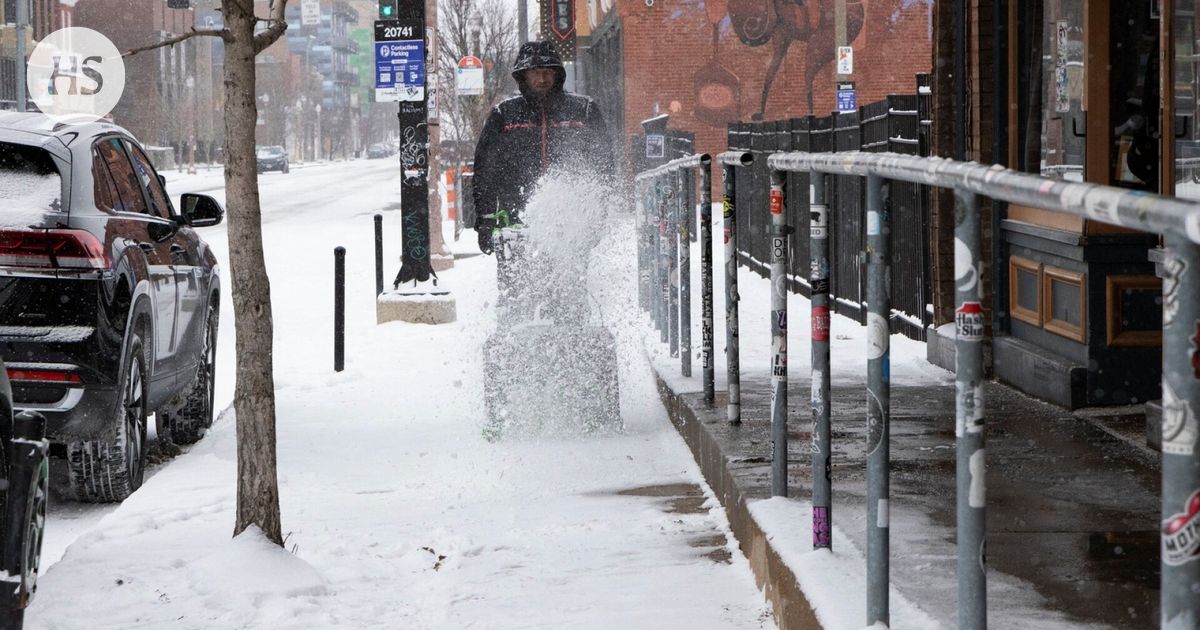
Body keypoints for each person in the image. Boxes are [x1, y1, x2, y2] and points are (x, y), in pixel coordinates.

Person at [471, 41, 615, 256]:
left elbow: (603, 164)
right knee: (517, 288)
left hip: (569, 229)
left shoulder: (583, 111)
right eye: (535, 72)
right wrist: (485, 218)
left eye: (547, 72)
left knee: (569, 287)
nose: (541, 79)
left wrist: (597, 214)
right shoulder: (504, 114)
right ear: (523, 75)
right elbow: (486, 171)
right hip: (515, 224)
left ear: (558, 74)